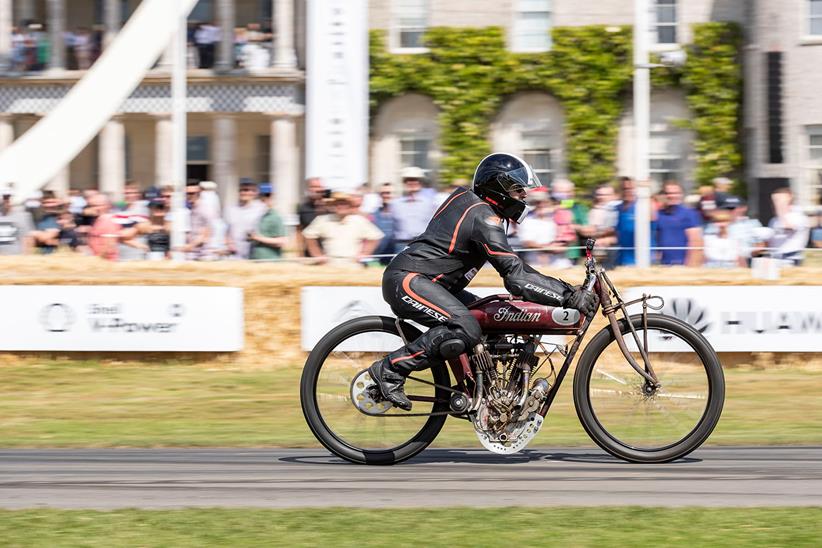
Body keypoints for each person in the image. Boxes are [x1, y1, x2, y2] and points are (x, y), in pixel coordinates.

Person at [368, 153, 599, 411]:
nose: (523, 196)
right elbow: (515, 277)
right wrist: (567, 295)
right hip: (410, 280)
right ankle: (390, 369)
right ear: (497, 189)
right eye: (517, 190)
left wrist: (566, 290)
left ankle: (480, 392)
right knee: (466, 327)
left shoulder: (478, 206)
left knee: (492, 316)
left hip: (431, 283)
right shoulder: (483, 217)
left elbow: (517, 270)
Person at [302, 191, 384, 266]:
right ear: (332, 205)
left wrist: (365, 253)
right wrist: (317, 255)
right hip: (329, 267)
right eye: (338, 203)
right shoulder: (322, 220)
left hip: (353, 267)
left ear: (350, 206)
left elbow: (376, 236)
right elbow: (308, 235)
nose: (341, 206)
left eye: (344, 204)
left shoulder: (359, 220)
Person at [655, 181, 703, 266]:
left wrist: (691, 266)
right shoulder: (659, 215)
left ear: (681, 195)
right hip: (663, 265)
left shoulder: (689, 214)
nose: (672, 196)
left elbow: (696, 243)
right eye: (668, 193)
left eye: (676, 193)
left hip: (683, 265)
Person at [392, 167, 437, 248]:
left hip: (423, 244)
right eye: (409, 180)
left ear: (421, 182)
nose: (412, 182)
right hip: (401, 244)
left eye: (415, 180)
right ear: (404, 183)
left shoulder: (430, 202)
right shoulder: (395, 203)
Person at [517, 190, 563, 267]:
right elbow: (527, 243)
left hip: (556, 262)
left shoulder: (554, 220)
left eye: (545, 202)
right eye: (538, 202)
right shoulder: (527, 221)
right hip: (534, 263)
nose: (542, 205)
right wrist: (548, 248)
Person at [767, 187, 810, 266]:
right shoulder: (774, 220)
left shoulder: (798, 216)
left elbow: (788, 227)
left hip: (791, 257)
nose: (776, 202)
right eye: (775, 200)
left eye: (779, 199)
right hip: (776, 257)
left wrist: (780, 209)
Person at [224, 180, 266, 259]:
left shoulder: (261, 208)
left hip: (254, 251)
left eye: (248, 190)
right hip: (235, 253)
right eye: (242, 190)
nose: (245, 193)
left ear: (255, 192)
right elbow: (226, 230)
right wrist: (229, 243)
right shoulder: (230, 209)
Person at [551, 179, 588, 264]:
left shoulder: (577, 208)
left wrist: (572, 226)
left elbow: (587, 229)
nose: (564, 195)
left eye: (567, 192)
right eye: (560, 192)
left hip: (571, 253)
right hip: (548, 253)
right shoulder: (545, 206)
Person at [249, 183, 287, 260]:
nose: (264, 199)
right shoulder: (256, 215)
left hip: (270, 262)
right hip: (255, 260)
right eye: (262, 196)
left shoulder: (275, 217)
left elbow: (282, 241)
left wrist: (258, 238)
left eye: (267, 195)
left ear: (272, 196)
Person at [297, 177, 327, 257]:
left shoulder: (331, 207)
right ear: (308, 189)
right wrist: (300, 252)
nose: (316, 190)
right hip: (309, 253)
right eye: (313, 187)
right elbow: (299, 231)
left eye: (319, 187)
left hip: (328, 253)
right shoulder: (303, 208)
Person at [0, 186, 35, 255]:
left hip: (16, 259)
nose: (7, 200)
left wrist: (26, 256)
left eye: (9, 197)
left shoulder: (23, 216)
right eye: (4, 197)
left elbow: (28, 239)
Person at [369, 183, 398, 265]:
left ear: (395, 195)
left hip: (396, 257)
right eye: (383, 193)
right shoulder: (373, 215)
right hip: (378, 258)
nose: (385, 195)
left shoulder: (401, 214)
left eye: (388, 193)